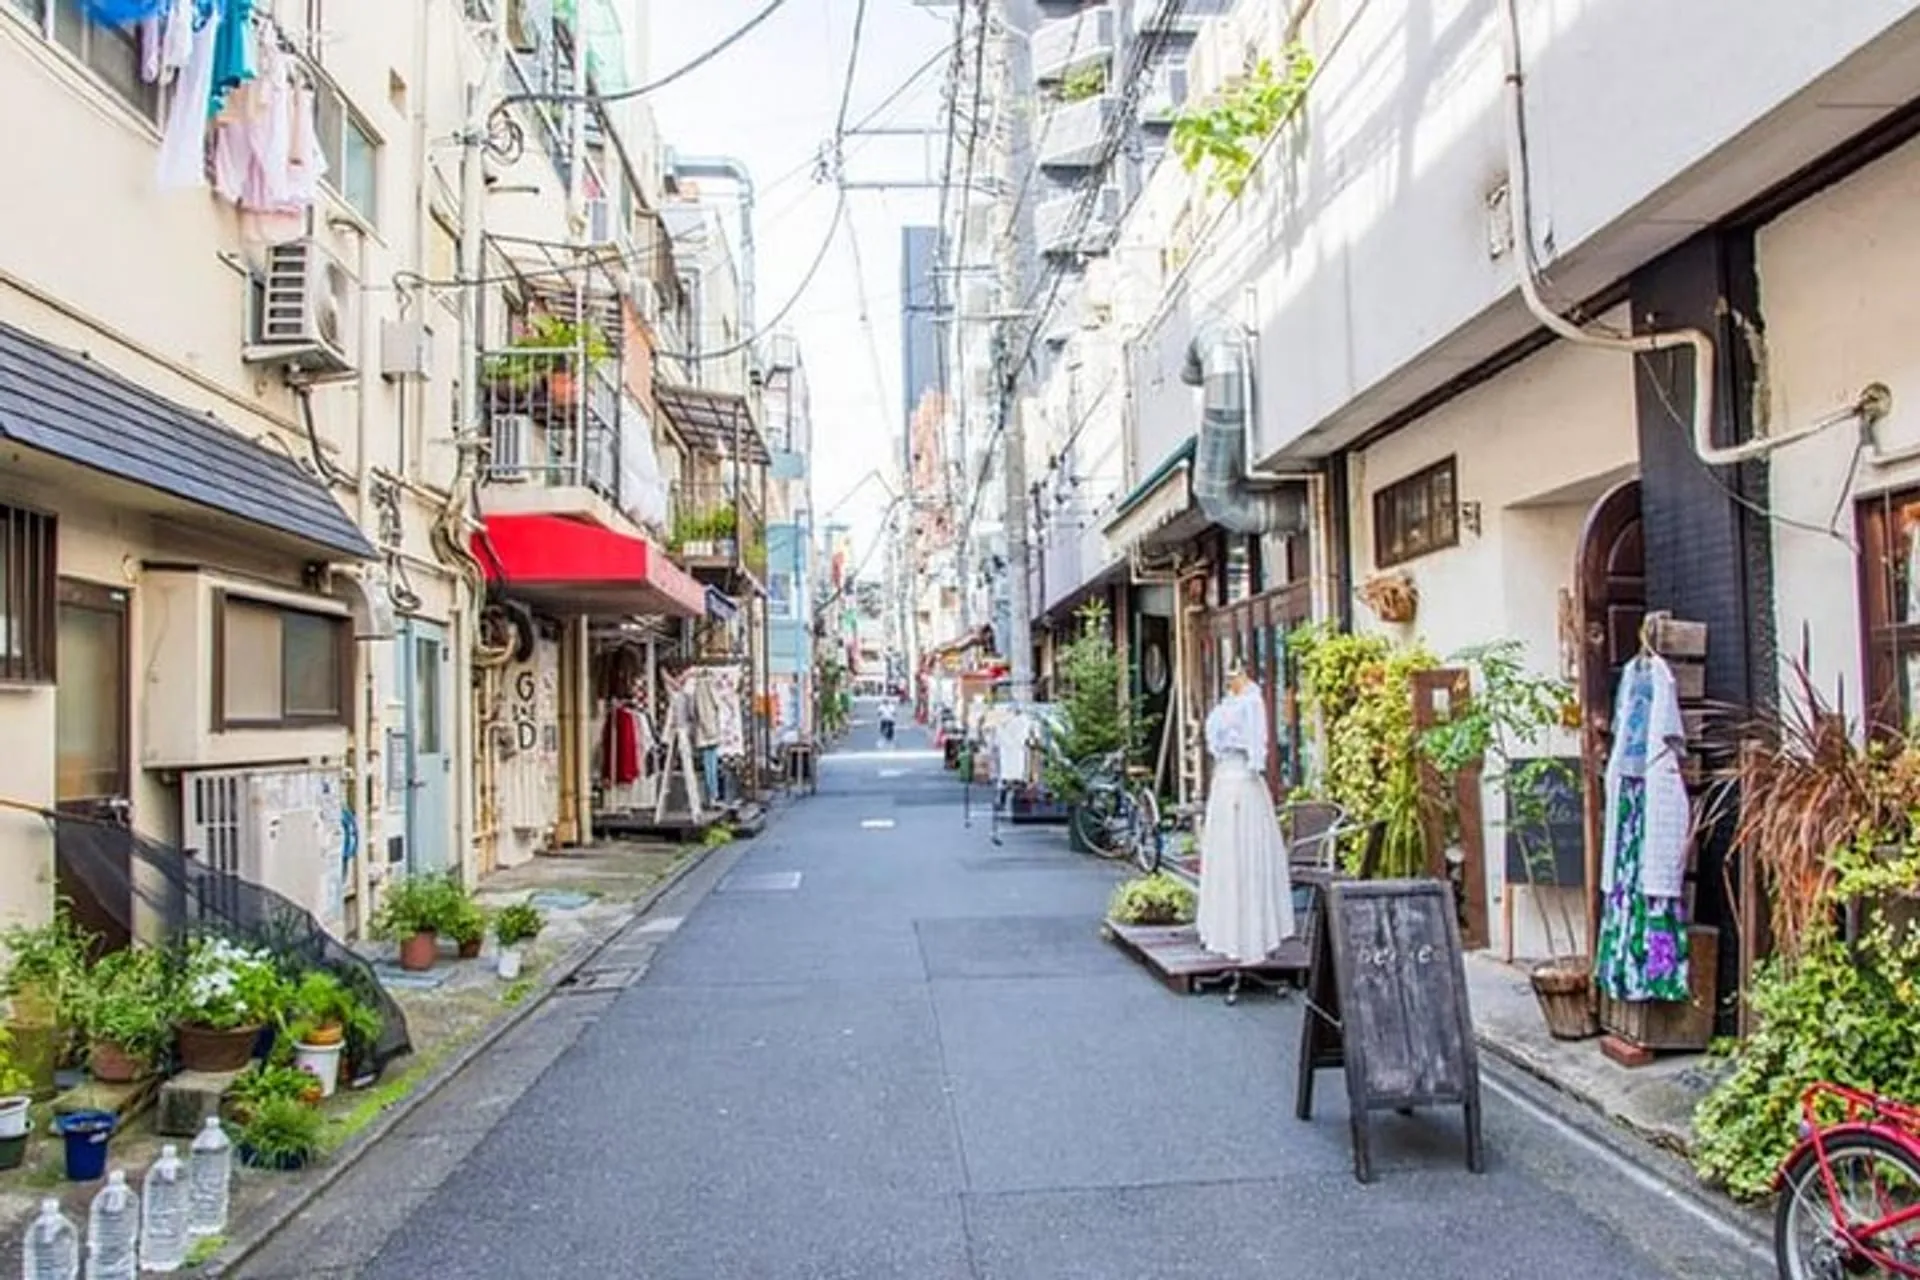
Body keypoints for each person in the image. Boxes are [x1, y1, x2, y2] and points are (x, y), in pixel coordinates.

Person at [1196, 659, 1296, 964]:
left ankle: (1252, 937)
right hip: (1224, 785)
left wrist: (1252, 765)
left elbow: (1256, 751)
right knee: (1227, 857)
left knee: (1246, 857)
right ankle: (1228, 934)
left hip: (1242, 785)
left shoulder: (1252, 703)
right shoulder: (1230, 702)